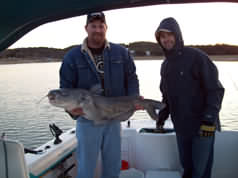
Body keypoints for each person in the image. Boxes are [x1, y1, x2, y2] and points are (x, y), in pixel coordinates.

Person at [59, 12, 140, 178]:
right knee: (86, 169)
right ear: (86, 28)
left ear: (106, 28)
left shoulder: (121, 53)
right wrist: (70, 111)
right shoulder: (72, 57)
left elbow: (131, 77)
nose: (97, 30)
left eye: (100, 26)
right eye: (93, 26)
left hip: (114, 119)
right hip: (87, 120)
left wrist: (134, 98)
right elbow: (65, 89)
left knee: (113, 167)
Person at [155, 17, 224, 178]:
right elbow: (166, 96)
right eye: (162, 36)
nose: (166, 39)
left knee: (200, 172)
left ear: (177, 35)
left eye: (169, 34)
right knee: (187, 168)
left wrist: (209, 119)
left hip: (203, 127)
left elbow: (215, 90)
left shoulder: (196, 57)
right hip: (181, 127)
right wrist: (161, 117)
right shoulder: (165, 66)